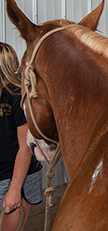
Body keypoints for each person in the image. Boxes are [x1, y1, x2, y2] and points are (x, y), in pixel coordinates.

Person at [0, 42, 42, 231]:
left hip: (17, 166)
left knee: (14, 204)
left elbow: (25, 146)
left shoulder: (17, 97)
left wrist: (15, 189)